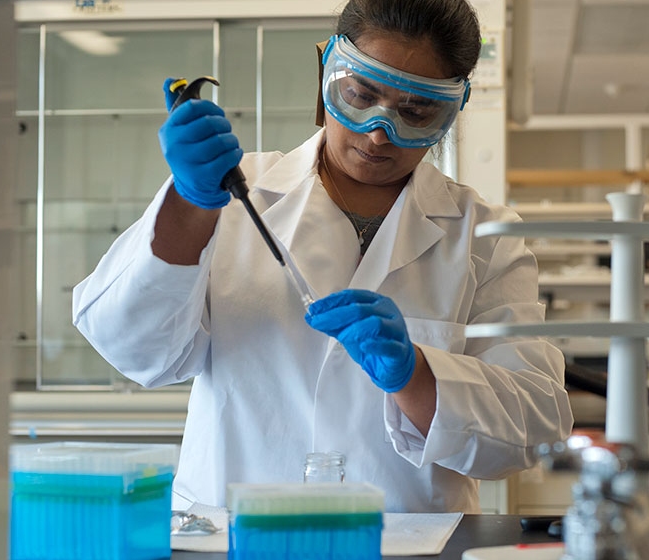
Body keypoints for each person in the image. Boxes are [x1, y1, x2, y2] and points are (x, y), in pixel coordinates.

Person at [72, 0, 574, 513]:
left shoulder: (483, 236)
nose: (380, 133)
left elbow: (534, 426)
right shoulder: (234, 194)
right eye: (360, 95)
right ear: (327, 71)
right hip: (236, 536)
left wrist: (417, 375)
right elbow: (132, 349)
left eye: (416, 112)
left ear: (453, 109)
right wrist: (190, 202)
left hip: (406, 543)